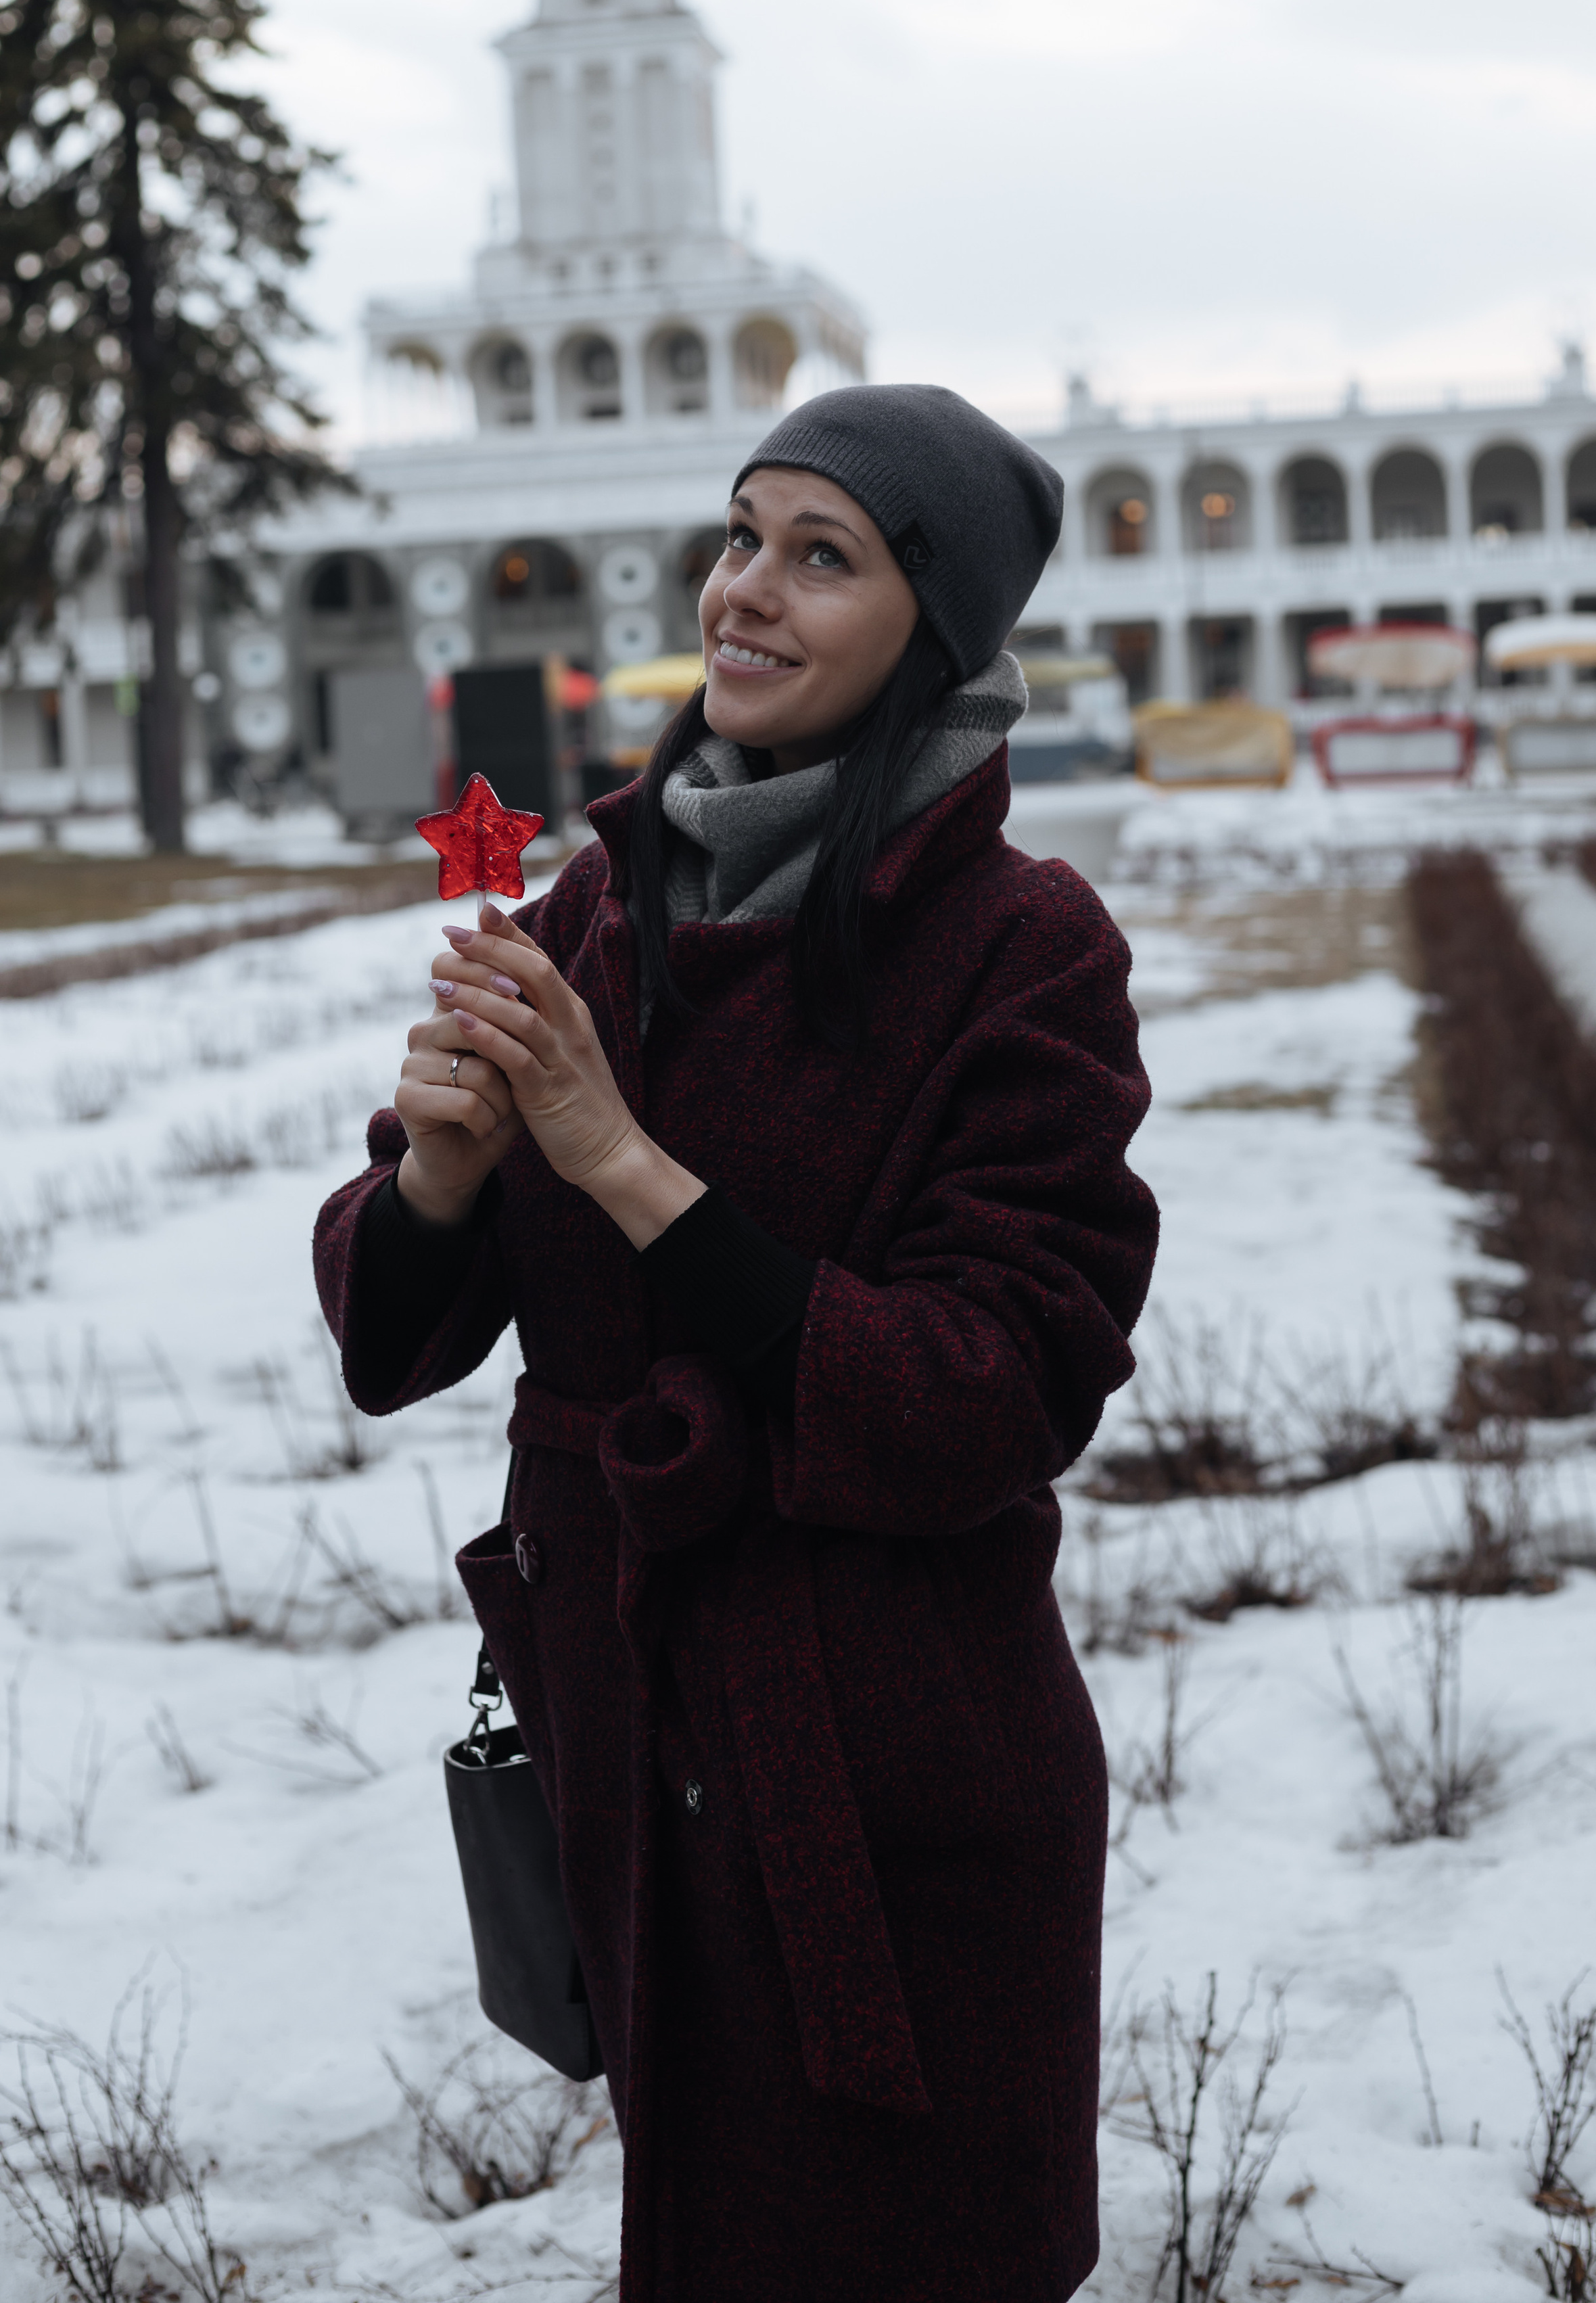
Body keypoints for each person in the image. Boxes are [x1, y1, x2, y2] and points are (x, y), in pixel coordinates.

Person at [314, 383, 1160, 2303]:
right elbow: (389, 1340)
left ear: (933, 624)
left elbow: (995, 1389)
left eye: (823, 556)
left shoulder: (1022, 946)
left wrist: (621, 1161)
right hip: (634, 1741)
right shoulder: (596, 906)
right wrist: (438, 1176)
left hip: (891, 1773)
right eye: (741, 535)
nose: (744, 593)